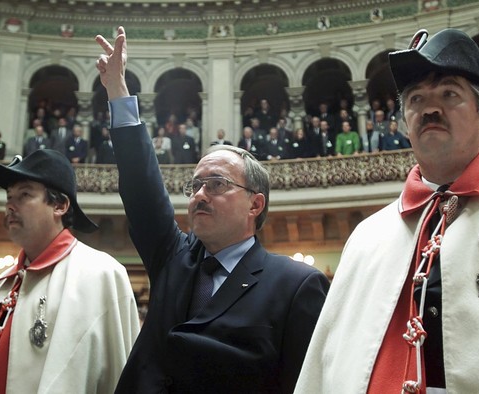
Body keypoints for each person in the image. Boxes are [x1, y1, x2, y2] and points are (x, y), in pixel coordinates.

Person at [296, 28, 479, 393]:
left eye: (450, 94)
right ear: (405, 123)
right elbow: (327, 364)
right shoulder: (367, 236)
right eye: (416, 99)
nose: (430, 108)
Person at [95, 26, 329, 393]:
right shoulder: (172, 257)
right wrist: (118, 92)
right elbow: (141, 187)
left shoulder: (296, 285)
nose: (200, 195)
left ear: (255, 204)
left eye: (217, 184)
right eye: (196, 185)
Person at [0, 149, 139, 393]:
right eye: (9, 196)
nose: (10, 205)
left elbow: (123, 378)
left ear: (59, 205)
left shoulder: (101, 274)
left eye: (24, 195)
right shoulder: (0, 283)